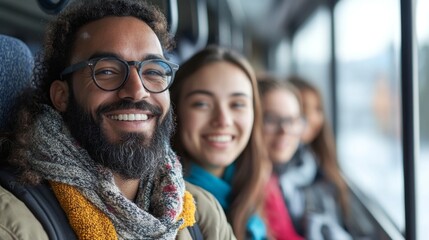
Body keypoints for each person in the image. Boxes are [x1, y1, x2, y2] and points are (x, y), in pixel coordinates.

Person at [0, 0, 236, 239]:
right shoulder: (13, 223)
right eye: (107, 71)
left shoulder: (203, 216)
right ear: (62, 95)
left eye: (153, 71)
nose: (136, 90)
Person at [169, 46, 271, 240]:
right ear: (175, 112)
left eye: (237, 104)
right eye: (202, 104)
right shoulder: (169, 205)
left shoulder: (250, 183)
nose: (223, 120)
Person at [281, 75, 352, 239]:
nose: (311, 117)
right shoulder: (283, 173)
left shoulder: (317, 163)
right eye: (303, 108)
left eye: (317, 109)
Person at [257, 75, 305, 240]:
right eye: (271, 119)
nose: (285, 130)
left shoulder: (268, 178)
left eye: (292, 120)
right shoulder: (253, 185)